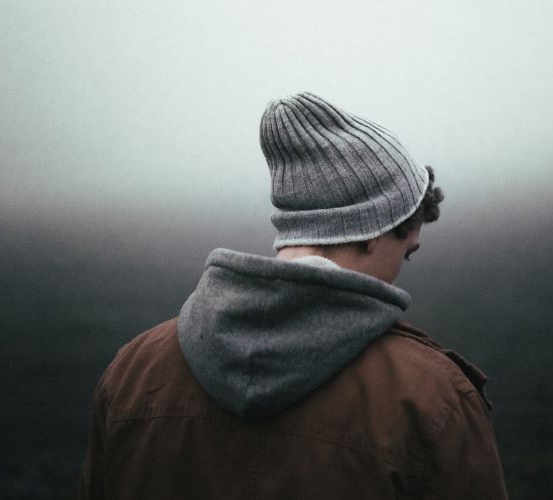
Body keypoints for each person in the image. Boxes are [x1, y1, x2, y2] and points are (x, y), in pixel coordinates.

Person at [79, 92, 508, 499]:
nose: (398, 276)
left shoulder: (131, 375)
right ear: (373, 231)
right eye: (406, 254)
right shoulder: (433, 399)